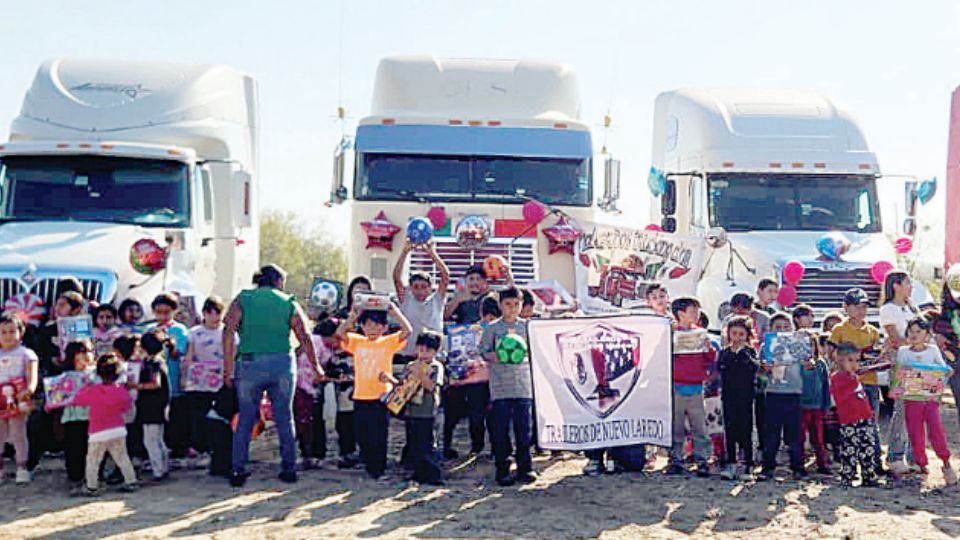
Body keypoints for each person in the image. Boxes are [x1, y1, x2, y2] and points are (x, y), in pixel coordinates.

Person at [224, 264, 320, 487]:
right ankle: (289, 468)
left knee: (246, 418)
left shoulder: (243, 299)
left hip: (249, 363)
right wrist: (316, 367)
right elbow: (304, 336)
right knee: (284, 418)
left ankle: (237, 469)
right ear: (278, 281)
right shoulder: (288, 301)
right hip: (282, 364)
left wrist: (227, 368)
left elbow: (228, 330)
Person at [336, 300, 412, 479]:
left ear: (384, 327)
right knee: (362, 433)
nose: (372, 329)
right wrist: (353, 316)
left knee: (379, 433)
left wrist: (393, 311)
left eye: (377, 325)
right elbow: (340, 333)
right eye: (368, 324)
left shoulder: (387, 342)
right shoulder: (357, 341)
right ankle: (368, 464)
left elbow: (407, 330)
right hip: (360, 395)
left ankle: (379, 468)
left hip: (381, 395)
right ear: (362, 326)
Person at [892, 316, 957, 484]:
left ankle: (946, 463)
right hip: (912, 399)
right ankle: (921, 464)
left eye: (918, 331)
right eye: (911, 331)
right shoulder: (903, 352)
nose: (914, 335)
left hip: (931, 399)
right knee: (915, 432)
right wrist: (896, 388)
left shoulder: (932, 350)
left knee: (936, 430)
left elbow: (943, 368)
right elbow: (899, 375)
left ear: (927, 334)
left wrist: (947, 372)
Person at [481, 286, 534, 486]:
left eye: (516, 304)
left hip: (523, 387)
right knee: (500, 431)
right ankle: (503, 469)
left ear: (522, 305)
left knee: (524, 431)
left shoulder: (528, 327)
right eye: (507, 304)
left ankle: (525, 468)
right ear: (500, 305)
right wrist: (495, 355)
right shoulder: (493, 328)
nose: (512, 308)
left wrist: (523, 354)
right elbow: (483, 351)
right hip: (500, 388)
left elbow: (537, 352)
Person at [828, 288, 883, 475]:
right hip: (846, 384)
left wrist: (872, 361)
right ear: (846, 307)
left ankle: (874, 464)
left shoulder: (872, 331)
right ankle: (849, 465)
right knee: (848, 424)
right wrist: (848, 364)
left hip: (869, 380)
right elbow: (832, 353)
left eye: (864, 306)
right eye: (856, 306)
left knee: (871, 422)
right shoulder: (839, 329)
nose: (861, 310)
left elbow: (878, 356)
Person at [73, 353, 139, 495]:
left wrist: (86, 386)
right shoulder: (121, 391)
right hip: (118, 429)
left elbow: (78, 399)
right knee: (122, 457)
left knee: (93, 460)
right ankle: (131, 481)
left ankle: (92, 486)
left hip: (97, 431)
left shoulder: (94, 390)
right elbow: (126, 406)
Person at [665, 297, 714, 477]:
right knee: (676, 426)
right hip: (676, 386)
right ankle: (676, 459)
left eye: (697, 311)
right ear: (680, 314)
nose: (696, 314)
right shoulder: (670, 333)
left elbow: (710, 359)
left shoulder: (701, 333)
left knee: (699, 426)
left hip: (696, 387)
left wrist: (708, 348)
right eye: (692, 311)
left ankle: (702, 460)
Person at [182, 296, 229, 469]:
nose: (214, 317)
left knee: (217, 417)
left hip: (219, 379)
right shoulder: (194, 333)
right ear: (204, 313)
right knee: (198, 417)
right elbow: (189, 355)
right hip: (198, 380)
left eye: (218, 312)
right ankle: (201, 449)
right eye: (210, 312)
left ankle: (215, 450)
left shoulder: (227, 332)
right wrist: (185, 377)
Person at [758, 313, 806, 481]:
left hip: (794, 393)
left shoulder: (798, 344)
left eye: (786, 327)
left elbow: (808, 365)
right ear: (770, 329)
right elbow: (761, 373)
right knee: (771, 433)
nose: (782, 330)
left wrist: (809, 363)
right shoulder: (766, 346)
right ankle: (768, 467)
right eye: (777, 327)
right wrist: (766, 368)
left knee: (795, 434)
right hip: (773, 393)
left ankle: (798, 467)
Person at [879, 271, 917, 475]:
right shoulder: (888, 309)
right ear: (896, 285)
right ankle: (894, 455)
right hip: (902, 362)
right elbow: (895, 339)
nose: (910, 286)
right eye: (907, 283)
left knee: (917, 408)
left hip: (919, 363)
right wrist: (916, 344)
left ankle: (914, 455)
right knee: (901, 409)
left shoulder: (911, 307)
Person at [147, 293, 191, 466]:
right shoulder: (150, 329)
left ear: (174, 311)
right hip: (153, 379)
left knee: (175, 414)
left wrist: (170, 343)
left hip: (173, 377)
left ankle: (177, 447)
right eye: (159, 312)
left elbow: (178, 353)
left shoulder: (179, 330)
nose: (162, 316)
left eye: (166, 312)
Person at [830, 342, 881, 487]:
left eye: (857, 360)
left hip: (864, 418)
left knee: (867, 447)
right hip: (849, 420)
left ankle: (869, 475)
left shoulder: (854, 377)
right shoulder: (837, 377)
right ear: (839, 359)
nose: (854, 364)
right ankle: (848, 475)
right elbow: (843, 394)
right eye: (850, 360)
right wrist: (855, 374)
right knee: (849, 449)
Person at [393, 240, 450, 364]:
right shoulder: (406, 300)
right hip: (408, 356)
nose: (420, 291)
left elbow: (445, 276)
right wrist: (405, 251)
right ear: (411, 288)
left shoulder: (437, 300)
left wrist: (432, 253)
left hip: (433, 357)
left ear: (430, 288)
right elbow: (397, 277)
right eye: (416, 287)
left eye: (424, 287)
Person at [400, 330, 445, 485]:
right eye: (420, 349)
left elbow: (431, 386)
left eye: (428, 350)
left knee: (428, 443)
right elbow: (402, 387)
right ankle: (415, 472)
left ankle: (433, 475)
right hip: (411, 409)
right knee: (413, 442)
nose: (423, 354)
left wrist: (420, 372)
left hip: (428, 410)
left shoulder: (436, 366)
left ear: (435, 351)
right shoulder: (410, 365)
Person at [718, 316, 759, 480]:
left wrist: (742, 353)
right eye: (734, 333)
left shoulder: (749, 352)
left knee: (746, 430)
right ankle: (731, 463)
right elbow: (721, 368)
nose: (737, 337)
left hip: (746, 397)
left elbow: (753, 367)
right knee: (730, 430)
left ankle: (747, 465)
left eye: (741, 334)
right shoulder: (725, 352)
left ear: (747, 335)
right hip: (729, 396)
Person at [0, 314, 39, 484]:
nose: (8, 335)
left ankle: (22, 467)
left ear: (20, 333)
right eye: (3, 332)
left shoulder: (26, 353)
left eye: (12, 331)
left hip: (18, 397)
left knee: (18, 433)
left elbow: (32, 375)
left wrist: (29, 389)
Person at [294, 319, 336, 469]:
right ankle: (310, 454)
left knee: (314, 420)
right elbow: (307, 369)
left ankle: (313, 453)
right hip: (304, 387)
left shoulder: (327, 347)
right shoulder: (315, 344)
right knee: (308, 421)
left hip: (313, 387)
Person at [135, 329, 171, 482]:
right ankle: (164, 467)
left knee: (150, 440)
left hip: (151, 406)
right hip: (160, 406)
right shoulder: (160, 361)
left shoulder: (152, 363)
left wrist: (135, 386)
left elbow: (155, 384)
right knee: (158, 439)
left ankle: (158, 471)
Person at [61, 340, 96, 495]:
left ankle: (93, 477)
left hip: (93, 416)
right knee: (74, 448)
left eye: (88, 351)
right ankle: (75, 478)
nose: (85, 356)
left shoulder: (96, 374)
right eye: (81, 352)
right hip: (73, 416)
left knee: (92, 449)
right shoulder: (66, 375)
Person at [799, 335, 831, 475]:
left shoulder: (821, 364)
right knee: (799, 438)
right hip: (800, 407)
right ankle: (799, 465)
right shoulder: (796, 365)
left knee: (818, 438)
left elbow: (825, 386)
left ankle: (822, 464)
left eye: (810, 345)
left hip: (817, 406)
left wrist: (826, 405)